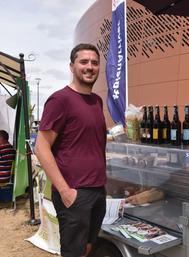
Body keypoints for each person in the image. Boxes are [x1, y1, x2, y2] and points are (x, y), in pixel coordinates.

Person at [35, 43, 107, 257]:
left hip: (97, 190)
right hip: (74, 192)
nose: (89, 67)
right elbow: (41, 146)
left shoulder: (96, 100)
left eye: (94, 63)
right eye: (83, 62)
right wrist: (65, 192)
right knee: (73, 252)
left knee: (87, 249)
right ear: (71, 66)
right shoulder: (61, 99)